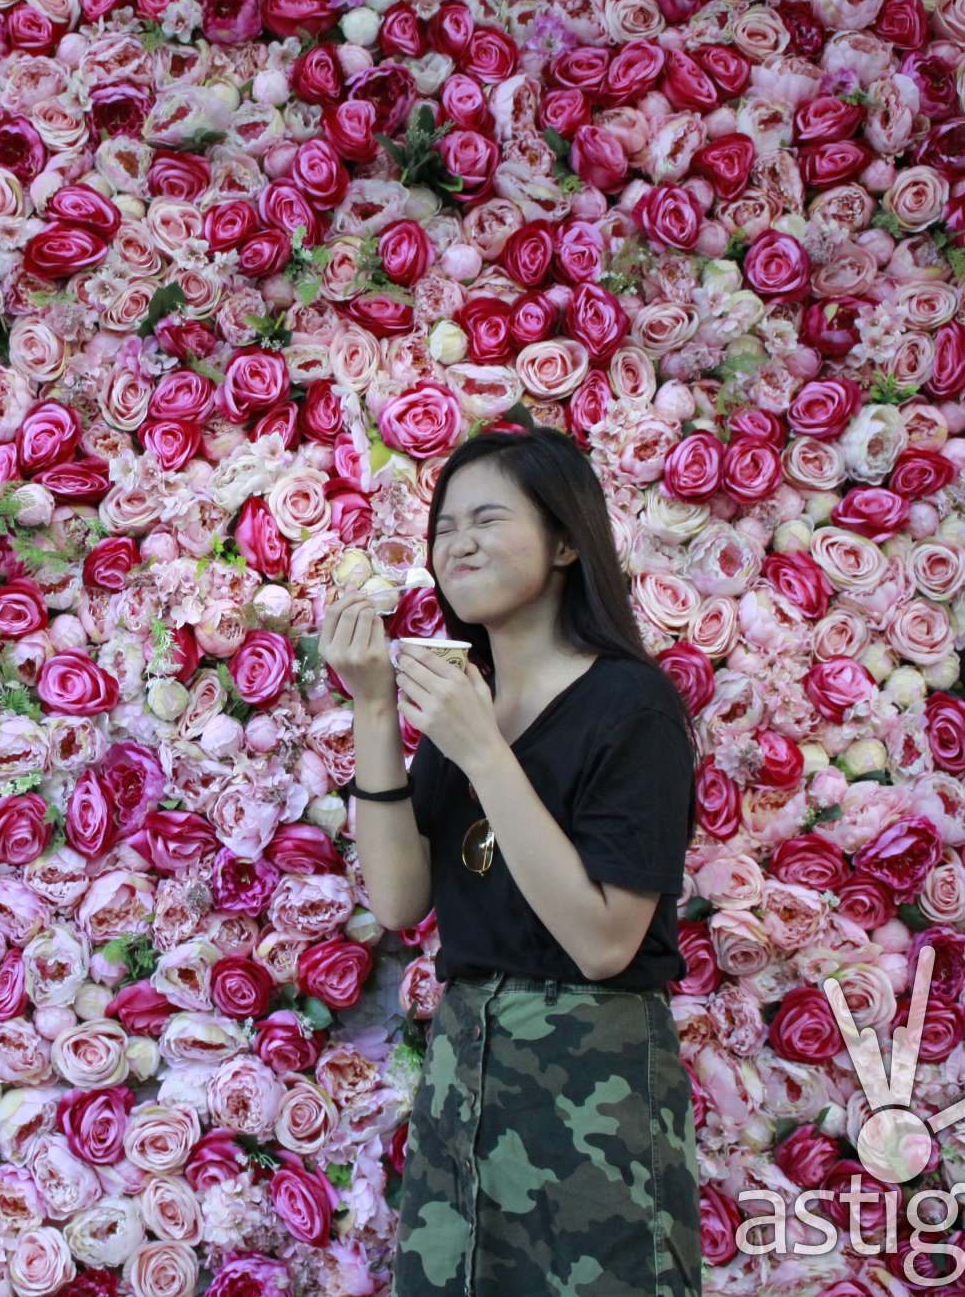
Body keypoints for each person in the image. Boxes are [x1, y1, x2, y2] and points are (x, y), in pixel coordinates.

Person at [319, 424, 704, 1297]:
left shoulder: (629, 705)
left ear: (566, 541)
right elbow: (399, 899)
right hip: (466, 1064)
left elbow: (603, 942)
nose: (458, 544)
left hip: (592, 1073)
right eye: (445, 527)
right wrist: (375, 707)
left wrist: (485, 752)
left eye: (487, 519)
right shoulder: (471, 702)